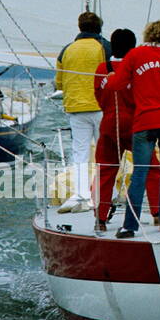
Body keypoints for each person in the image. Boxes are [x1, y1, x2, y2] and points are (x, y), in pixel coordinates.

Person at [108, 20, 160, 237]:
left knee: (140, 173)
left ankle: (129, 226)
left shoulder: (135, 55)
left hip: (145, 121)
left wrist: (110, 78)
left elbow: (117, 85)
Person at [91, 28, 158, 231]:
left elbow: (99, 96)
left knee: (105, 171)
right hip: (136, 124)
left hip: (110, 124)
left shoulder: (102, 68)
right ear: (134, 46)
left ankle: (100, 219)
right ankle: (158, 213)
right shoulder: (139, 68)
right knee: (153, 169)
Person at [54, 11, 109, 205]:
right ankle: (103, 194)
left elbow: (59, 83)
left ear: (79, 27)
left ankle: (82, 194)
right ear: (99, 27)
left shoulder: (67, 50)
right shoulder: (104, 47)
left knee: (80, 153)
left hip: (76, 107)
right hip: (102, 107)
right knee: (105, 152)